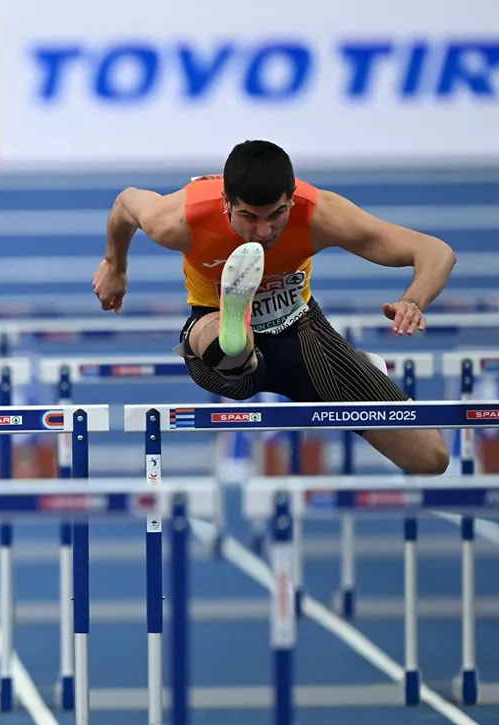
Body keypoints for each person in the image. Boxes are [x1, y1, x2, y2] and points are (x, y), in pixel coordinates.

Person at [92, 139, 453, 476]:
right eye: (249, 217)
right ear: (226, 203)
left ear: (292, 199)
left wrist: (413, 300)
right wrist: (115, 266)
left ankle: (346, 368)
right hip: (214, 334)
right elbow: (126, 203)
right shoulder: (180, 219)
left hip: (302, 333)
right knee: (228, 348)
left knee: (429, 457)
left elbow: (435, 252)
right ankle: (237, 327)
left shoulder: (321, 214)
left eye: (276, 215)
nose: (264, 231)